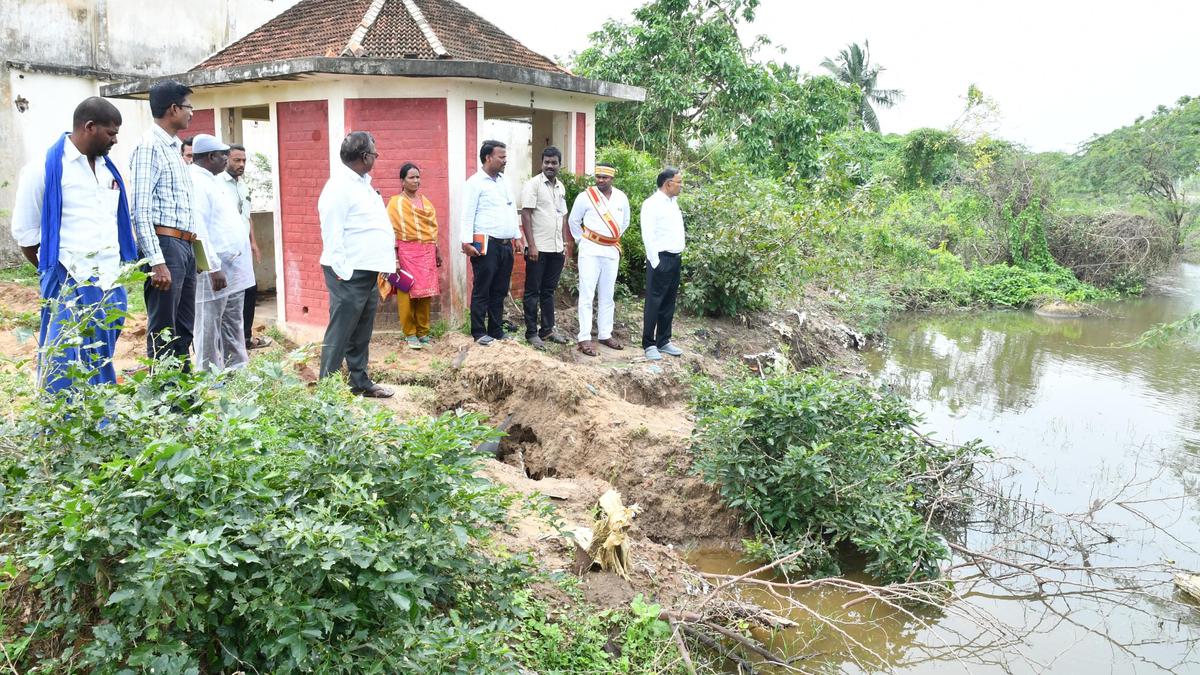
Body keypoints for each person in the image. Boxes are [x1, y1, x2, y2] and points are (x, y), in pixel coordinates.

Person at [10, 97, 139, 393]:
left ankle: (100, 428)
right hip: (69, 283)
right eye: (111, 133)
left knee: (100, 361)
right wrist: (58, 276)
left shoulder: (109, 171)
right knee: (63, 366)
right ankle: (60, 435)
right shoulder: (43, 169)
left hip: (109, 282)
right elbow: (27, 237)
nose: (116, 140)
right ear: (89, 127)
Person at [318, 131, 396, 398]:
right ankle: (326, 391)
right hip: (348, 272)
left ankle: (359, 382)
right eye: (374, 154)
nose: (376, 158)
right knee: (340, 332)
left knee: (361, 331)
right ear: (364, 156)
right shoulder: (339, 186)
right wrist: (342, 272)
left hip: (367, 270)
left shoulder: (363, 184)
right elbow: (332, 231)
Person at [129, 79, 198, 367]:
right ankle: (162, 403)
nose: (192, 113)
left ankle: (183, 400)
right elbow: (140, 210)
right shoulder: (149, 147)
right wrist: (157, 261)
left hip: (184, 246)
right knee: (164, 330)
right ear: (173, 109)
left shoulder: (173, 149)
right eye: (188, 107)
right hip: (165, 247)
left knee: (183, 327)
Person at [190, 135, 254, 372]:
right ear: (210, 157)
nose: (226, 159)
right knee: (208, 325)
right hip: (214, 270)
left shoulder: (214, 180)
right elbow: (199, 228)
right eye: (223, 155)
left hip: (233, 267)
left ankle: (236, 370)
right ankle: (208, 375)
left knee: (232, 322)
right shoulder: (196, 181)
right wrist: (213, 268)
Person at [460, 140, 522, 345]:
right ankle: (479, 332)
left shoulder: (504, 181)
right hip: (485, 244)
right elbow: (467, 214)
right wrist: (466, 242)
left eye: (505, 156)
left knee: (500, 289)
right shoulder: (475, 182)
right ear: (488, 158)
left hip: (505, 245)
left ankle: (496, 331)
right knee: (482, 288)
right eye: (501, 157)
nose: (505, 160)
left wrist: (517, 236)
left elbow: (511, 209)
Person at [568, 164, 630, 356]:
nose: (601, 180)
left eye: (605, 177)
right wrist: (582, 241)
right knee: (587, 294)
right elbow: (573, 221)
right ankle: (584, 337)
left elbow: (625, 222)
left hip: (611, 250)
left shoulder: (621, 197)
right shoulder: (585, 196)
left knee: (607, 294)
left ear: (612, 178)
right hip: (590, 250)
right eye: (598, 177)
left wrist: (610, 238)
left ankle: (605, 334)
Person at [519, 146, 572, 349]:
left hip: (556, 248)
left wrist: (565, 244)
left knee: (548, 291)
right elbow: (526, 214)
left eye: (554, 162)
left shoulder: (561, 187)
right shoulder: (533, 185)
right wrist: (531, 245)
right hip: (538, 249)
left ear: (559, 164)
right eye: (547, 162)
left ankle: (548, 330)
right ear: (542, 164)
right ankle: (532, 333)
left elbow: (563, 216)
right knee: (533, 291)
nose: (550, 166)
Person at [385, 162, 442, 349]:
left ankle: (423, 332)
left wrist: (437, 251)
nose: (416, 180)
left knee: (425, 294)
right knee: (406, 293)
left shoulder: (426, 203)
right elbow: (389, 231)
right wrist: (394, 259)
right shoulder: (395, 204)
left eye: (418, 177)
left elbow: (431, 231)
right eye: (411, 177)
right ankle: (409, 333)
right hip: (405, 253)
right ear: (402, 181)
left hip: (426, 253)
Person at [220, 143, 271, 350]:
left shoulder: (242, 185)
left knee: (250, 290)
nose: (241, 164)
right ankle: (226, 342)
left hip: (243, 248)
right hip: (226, 251)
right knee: (229, 296)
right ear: (226, 160)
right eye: (237, 160)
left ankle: (246, 338)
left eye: (244, 161)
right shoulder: (218, 184)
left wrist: (254, 242)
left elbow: (246, 216)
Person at [640, 167, 686, 361]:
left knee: (669, 301)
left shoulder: (673, 202)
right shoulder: (652, 204)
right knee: (654, 301)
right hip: (660, 259)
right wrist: (656, 261)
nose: (681, 186)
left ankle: (664, 340)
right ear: (668, 183)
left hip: (675, 258)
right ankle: (649, 343)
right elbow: (648, 235)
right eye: (679, 182)